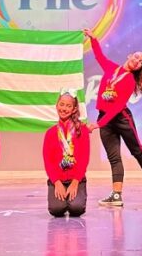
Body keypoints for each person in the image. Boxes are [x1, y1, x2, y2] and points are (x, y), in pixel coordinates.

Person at [83, 28, 142, 206]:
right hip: (104, 118)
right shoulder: (112, 69)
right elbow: (99, 56)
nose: (137, 61)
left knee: (136, 151)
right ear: (129, 56)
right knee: (114, 157)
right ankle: (116, 195)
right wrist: (93, 38)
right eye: (136, 57)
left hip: (121, 119)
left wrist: (98, 124)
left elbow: (116, 107)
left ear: (140, 67)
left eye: (141, 62)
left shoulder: (129, 81)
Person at [43, 89, 90, 217]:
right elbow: (48, 161)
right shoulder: (50, 133)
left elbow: (84, 159)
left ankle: (77, 193)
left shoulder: (82, 130)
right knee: (56, 209)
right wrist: (56, 182)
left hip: (76, 179)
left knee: (76, 208)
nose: (64, 108)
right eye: (61, 104)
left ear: (74, 109)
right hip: (57, 179)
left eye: (68, 106)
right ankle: (60, 196)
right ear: (56, 105)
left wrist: (75, 182)